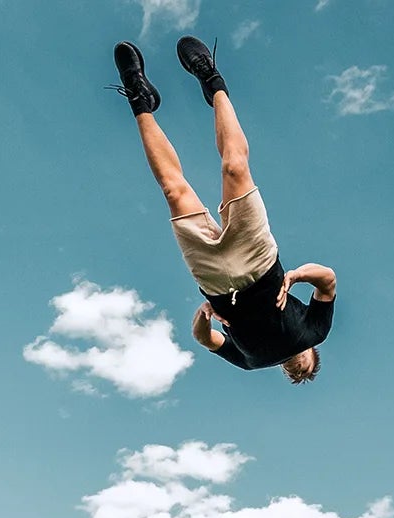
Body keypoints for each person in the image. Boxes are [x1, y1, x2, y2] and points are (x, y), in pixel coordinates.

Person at [112, 37, 335, 382]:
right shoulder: (316, 331)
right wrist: (295, 276)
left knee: (173, 191)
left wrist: (204, 313)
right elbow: (328, 281)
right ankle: (212, 80)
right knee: (235, 169)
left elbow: (205, 339)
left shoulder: (250, 361)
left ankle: (140, 98)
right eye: (304, 366)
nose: (296, 367)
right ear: (311, 353)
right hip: (260, 262)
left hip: (214, 281)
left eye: (294, 374)